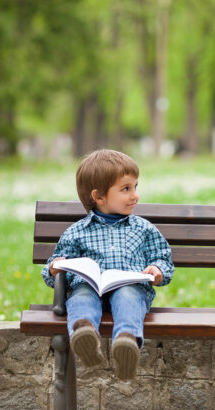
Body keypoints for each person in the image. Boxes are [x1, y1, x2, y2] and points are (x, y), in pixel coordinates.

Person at [42, 149, 174, 380]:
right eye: (126, 189)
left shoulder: (143, 228)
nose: (135, 195)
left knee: (128, 296)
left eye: (135, 187)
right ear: (99, 197)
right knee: (81, 296)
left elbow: (162, 257)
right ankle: (85, 336)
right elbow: (52, 270)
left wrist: (157, 270)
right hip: (89, 286)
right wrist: (55, 267)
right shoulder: (76, 232)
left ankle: (126, 343)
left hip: (129, 285)